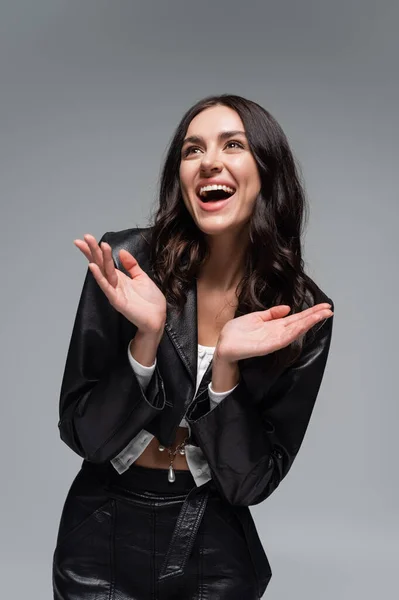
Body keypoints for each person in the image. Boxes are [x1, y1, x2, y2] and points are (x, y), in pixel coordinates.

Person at [52, 94, 334, 600]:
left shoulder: (300, 312)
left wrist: (226, 367)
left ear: (267, 171)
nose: (210, 161)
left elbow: (250, 485)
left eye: (233, 144)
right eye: (192, 149)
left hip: (213, 546)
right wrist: (145, 338)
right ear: (180, 177)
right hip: (100, 536)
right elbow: (85, 436)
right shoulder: (126, 264)